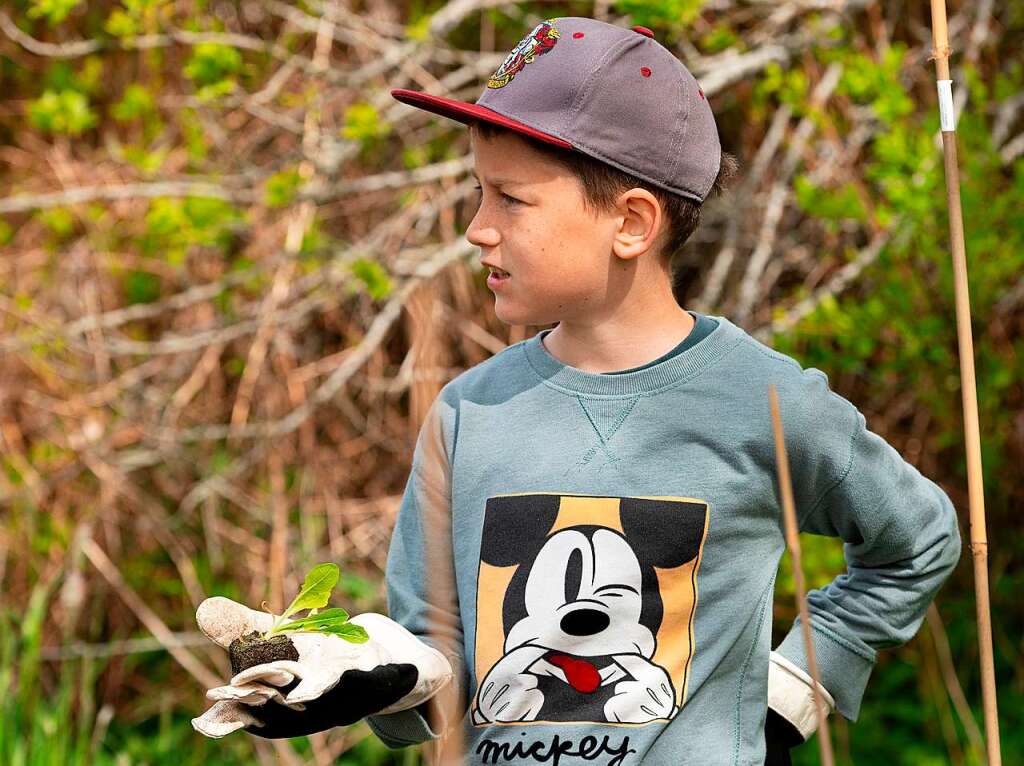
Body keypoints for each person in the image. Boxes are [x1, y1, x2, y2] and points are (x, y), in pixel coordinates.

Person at [192, 16, 961, 765]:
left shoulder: (763, 402)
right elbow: (436, 646)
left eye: (510, 199)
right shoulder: (468, 413)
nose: (476, 228)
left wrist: (796, 686)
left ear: (631, 222)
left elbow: (916, 541)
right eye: (477, 192)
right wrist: (375, 674)